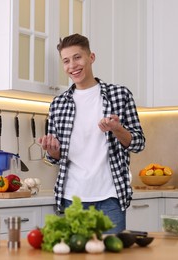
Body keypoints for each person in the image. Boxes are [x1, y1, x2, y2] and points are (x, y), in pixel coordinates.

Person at [38, 33, 146, 233]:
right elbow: (55, 158)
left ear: (91, 57)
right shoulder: (58, 104)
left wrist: (117, 129)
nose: (72, 66)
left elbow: (138, 143)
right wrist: (52, 151)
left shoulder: (120, 95)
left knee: (112, 256)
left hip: (111, 198)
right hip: (73, 199)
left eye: (77, 57)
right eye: (66, 61)